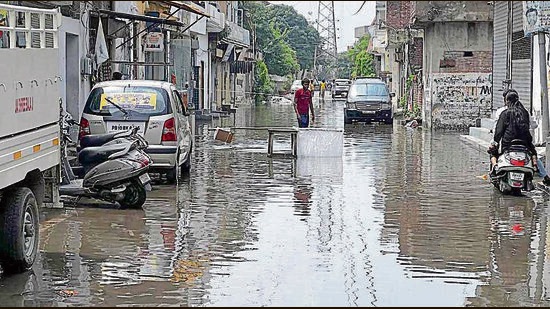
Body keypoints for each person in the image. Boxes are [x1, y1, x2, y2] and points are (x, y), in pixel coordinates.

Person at [489, 91, 539, 183]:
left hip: (508, 144)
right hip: (525, 143)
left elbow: (498, 132)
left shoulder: (505, 113)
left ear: (507, 101)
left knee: (492, 152)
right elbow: (531, 127)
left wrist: (494, 143)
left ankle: (495, 168)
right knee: (533, 152)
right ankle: (535, 166)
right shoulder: (525, 112)